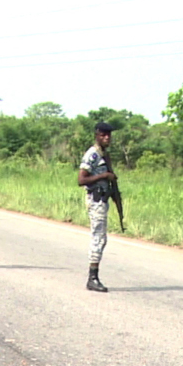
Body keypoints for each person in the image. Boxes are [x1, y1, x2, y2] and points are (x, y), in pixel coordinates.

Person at [78, 122, 120, 293]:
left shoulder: (104, 154)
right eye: (103, 135)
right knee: (98, 238)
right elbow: (81, 180)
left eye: (109, 135)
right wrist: (104, 175)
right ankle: (92, 278)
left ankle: (94, 276)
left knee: (101, 238)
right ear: (97, 135)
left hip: (103, 200)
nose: (107, 138)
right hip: (95, 200)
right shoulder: (93, 154)